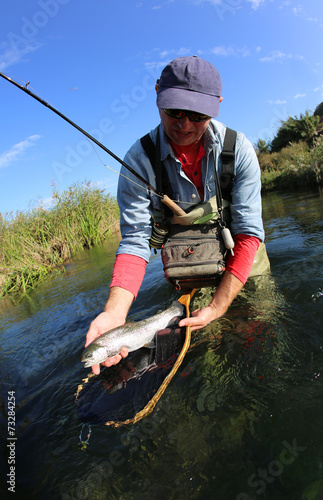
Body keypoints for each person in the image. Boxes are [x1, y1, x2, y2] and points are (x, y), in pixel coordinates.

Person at [85, 55, 266, 375]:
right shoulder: (138, 163)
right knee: (204, 356)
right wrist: (115, 314)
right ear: (157, 94)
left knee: (262, 327)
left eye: (197, 115)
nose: (184, 125)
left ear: (217, 105)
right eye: (174, 111)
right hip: (187, 268)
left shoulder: (239, 151)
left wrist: (219, 306)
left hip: (244, 260)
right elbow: (135, 243)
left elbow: (249, 233)